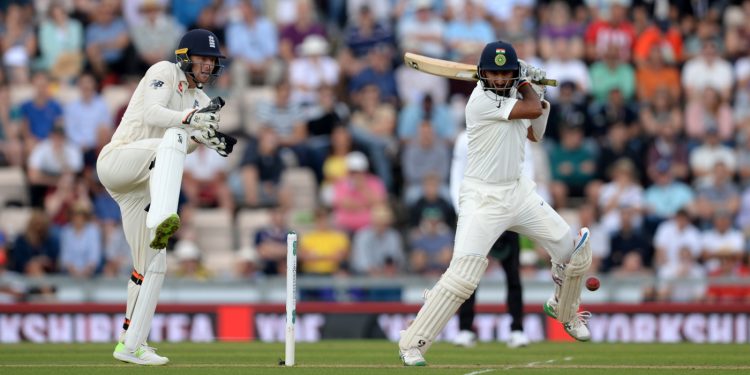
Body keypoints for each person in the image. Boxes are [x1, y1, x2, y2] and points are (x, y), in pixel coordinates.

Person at [398, 40, 593, 366]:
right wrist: (528, 82)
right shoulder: (479, 102)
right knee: (463, 277)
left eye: (506, 74)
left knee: (570, 248)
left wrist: (537, 92)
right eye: (494, 73)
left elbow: (535, 133)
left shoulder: (519, 98)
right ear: (483, 75)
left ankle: (565, 308)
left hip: (518, 192)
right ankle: (412, 343)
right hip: (482, 197)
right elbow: (530, 109)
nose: (501, 80)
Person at [96, 29, 236, 366]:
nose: (208, 65)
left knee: (152, 266)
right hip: (118, 161)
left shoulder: (201, 100)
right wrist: (189, 122)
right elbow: (154, 115)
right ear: (186, 57)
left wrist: (205, 138)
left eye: (212, 60)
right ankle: (163, 215)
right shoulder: (163, 71)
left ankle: (131, 343)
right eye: (203, 58)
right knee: (173, 136)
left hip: (141, 185)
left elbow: (184, 143)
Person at [450, 129, 531, 349]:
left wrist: (516, 211)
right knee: (468, 275)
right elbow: (457, 175)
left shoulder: (517, 133)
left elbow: (527, 171)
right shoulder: (465, 138)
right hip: (476, 213)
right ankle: (465, 329)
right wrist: (464, 212)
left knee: (513, 275)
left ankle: (517, 329)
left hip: (509, 212)